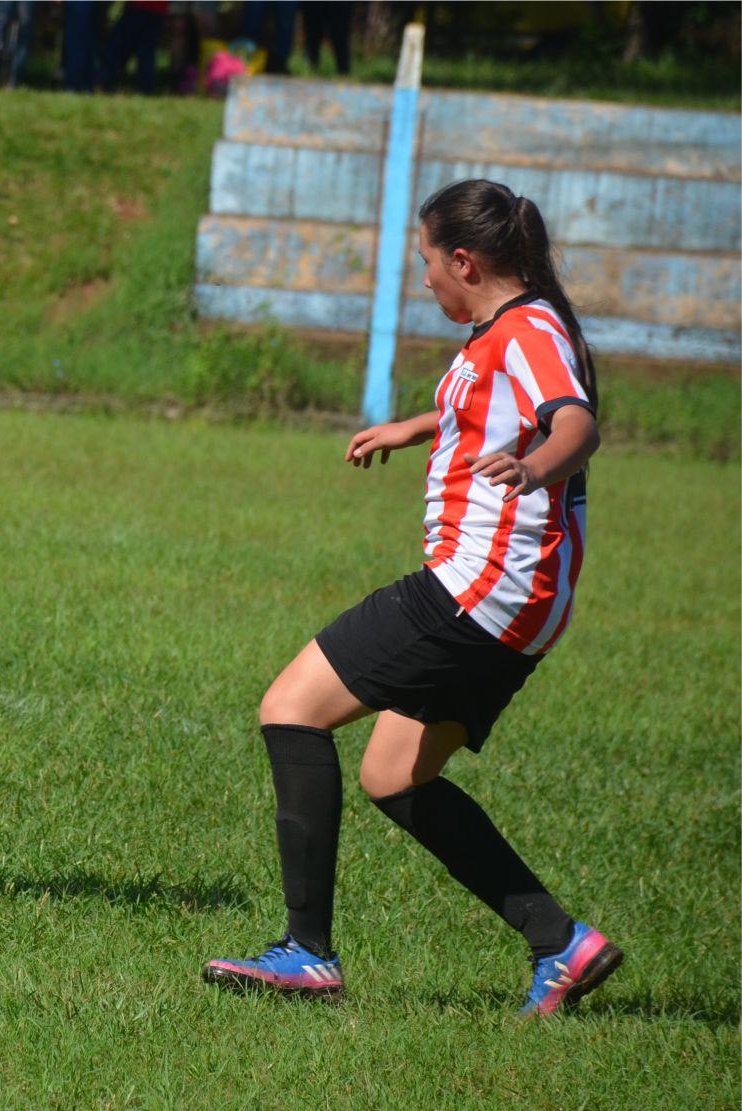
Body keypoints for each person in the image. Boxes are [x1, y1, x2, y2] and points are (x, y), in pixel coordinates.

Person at [203, 179, 620, 1016]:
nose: (423, 278)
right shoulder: (509, 328)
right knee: (394, 776)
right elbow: (492, 408)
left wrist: (535, 468)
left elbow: (572, 422)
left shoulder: (529, 328)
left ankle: (306, 953)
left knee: (289, 708)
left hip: (479, 588)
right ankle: (559, 939)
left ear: (462, 260)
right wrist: (414, 427)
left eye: (426, 262)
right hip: (517, 606)